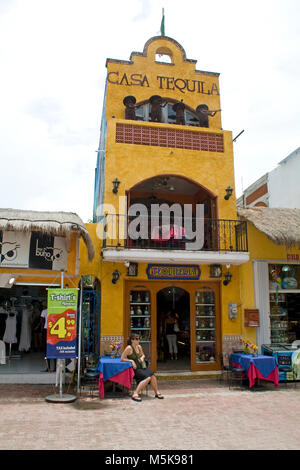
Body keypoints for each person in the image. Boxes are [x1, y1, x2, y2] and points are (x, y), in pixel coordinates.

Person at [121, 334, 164, 402]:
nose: (138, 340)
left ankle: (156, 392)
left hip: (142, 367)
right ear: (132, 340)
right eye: (137, 339)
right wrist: (131, 361)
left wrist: (142, 358)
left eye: (138, 339)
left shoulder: (139, 347)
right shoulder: (129, 348)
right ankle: (135, 394)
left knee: (152, 376)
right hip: (135, 369)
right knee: (147, 378)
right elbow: (122, 358)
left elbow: (143, 355)